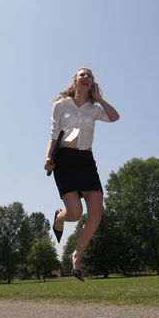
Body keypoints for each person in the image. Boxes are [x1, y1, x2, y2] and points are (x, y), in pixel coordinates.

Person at [44, 67, 119, 281]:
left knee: (96, 213)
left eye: (90, 76)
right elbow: (53, 134)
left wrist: (100, 99)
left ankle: (77, 254)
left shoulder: (94, 109)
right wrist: (47, 158)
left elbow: (115, 117)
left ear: (92, 84)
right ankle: (59, 217)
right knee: (75, 214)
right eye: (82, 75)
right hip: (64, 160)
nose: (86, 77)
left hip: (86, 161)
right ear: (75, 81)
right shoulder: (61, 105)